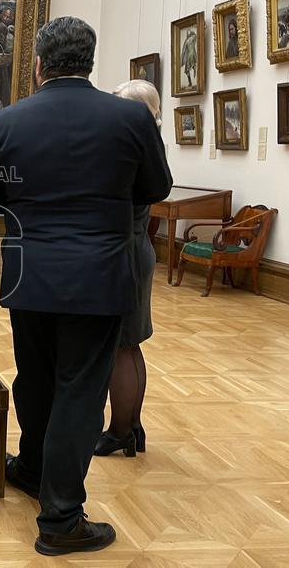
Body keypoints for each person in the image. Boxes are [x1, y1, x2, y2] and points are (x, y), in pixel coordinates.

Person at [0, 17, 172, 556]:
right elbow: (156, 187)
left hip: (29, 273)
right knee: (79, 392)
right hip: (98, 277)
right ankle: (60, 517)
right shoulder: (128, 118)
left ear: (37, 65)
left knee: (34, 379)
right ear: (90, 62)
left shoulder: (8, 121)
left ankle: (33, 470)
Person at [94, 79, 162, 459]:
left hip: (125, 254)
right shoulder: (148, 145)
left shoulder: (132, 147)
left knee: (122, 347)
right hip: (135, 250)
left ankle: (121, 429)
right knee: (129, 345)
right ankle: (131, 426)